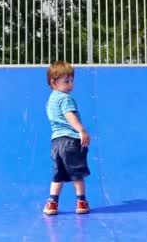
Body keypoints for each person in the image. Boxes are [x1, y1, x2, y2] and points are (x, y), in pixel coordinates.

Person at [43, 61, 91, 215]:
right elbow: (69, 115)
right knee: (77, 174)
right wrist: (81, 130)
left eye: (71, 81)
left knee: (58, 174)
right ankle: (81, 202)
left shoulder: (51, 100)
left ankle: (52, 203)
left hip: (56, 143)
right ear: (54, 82)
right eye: (66, 81)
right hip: (71, 140)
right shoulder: (65, 98)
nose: (71, 85)